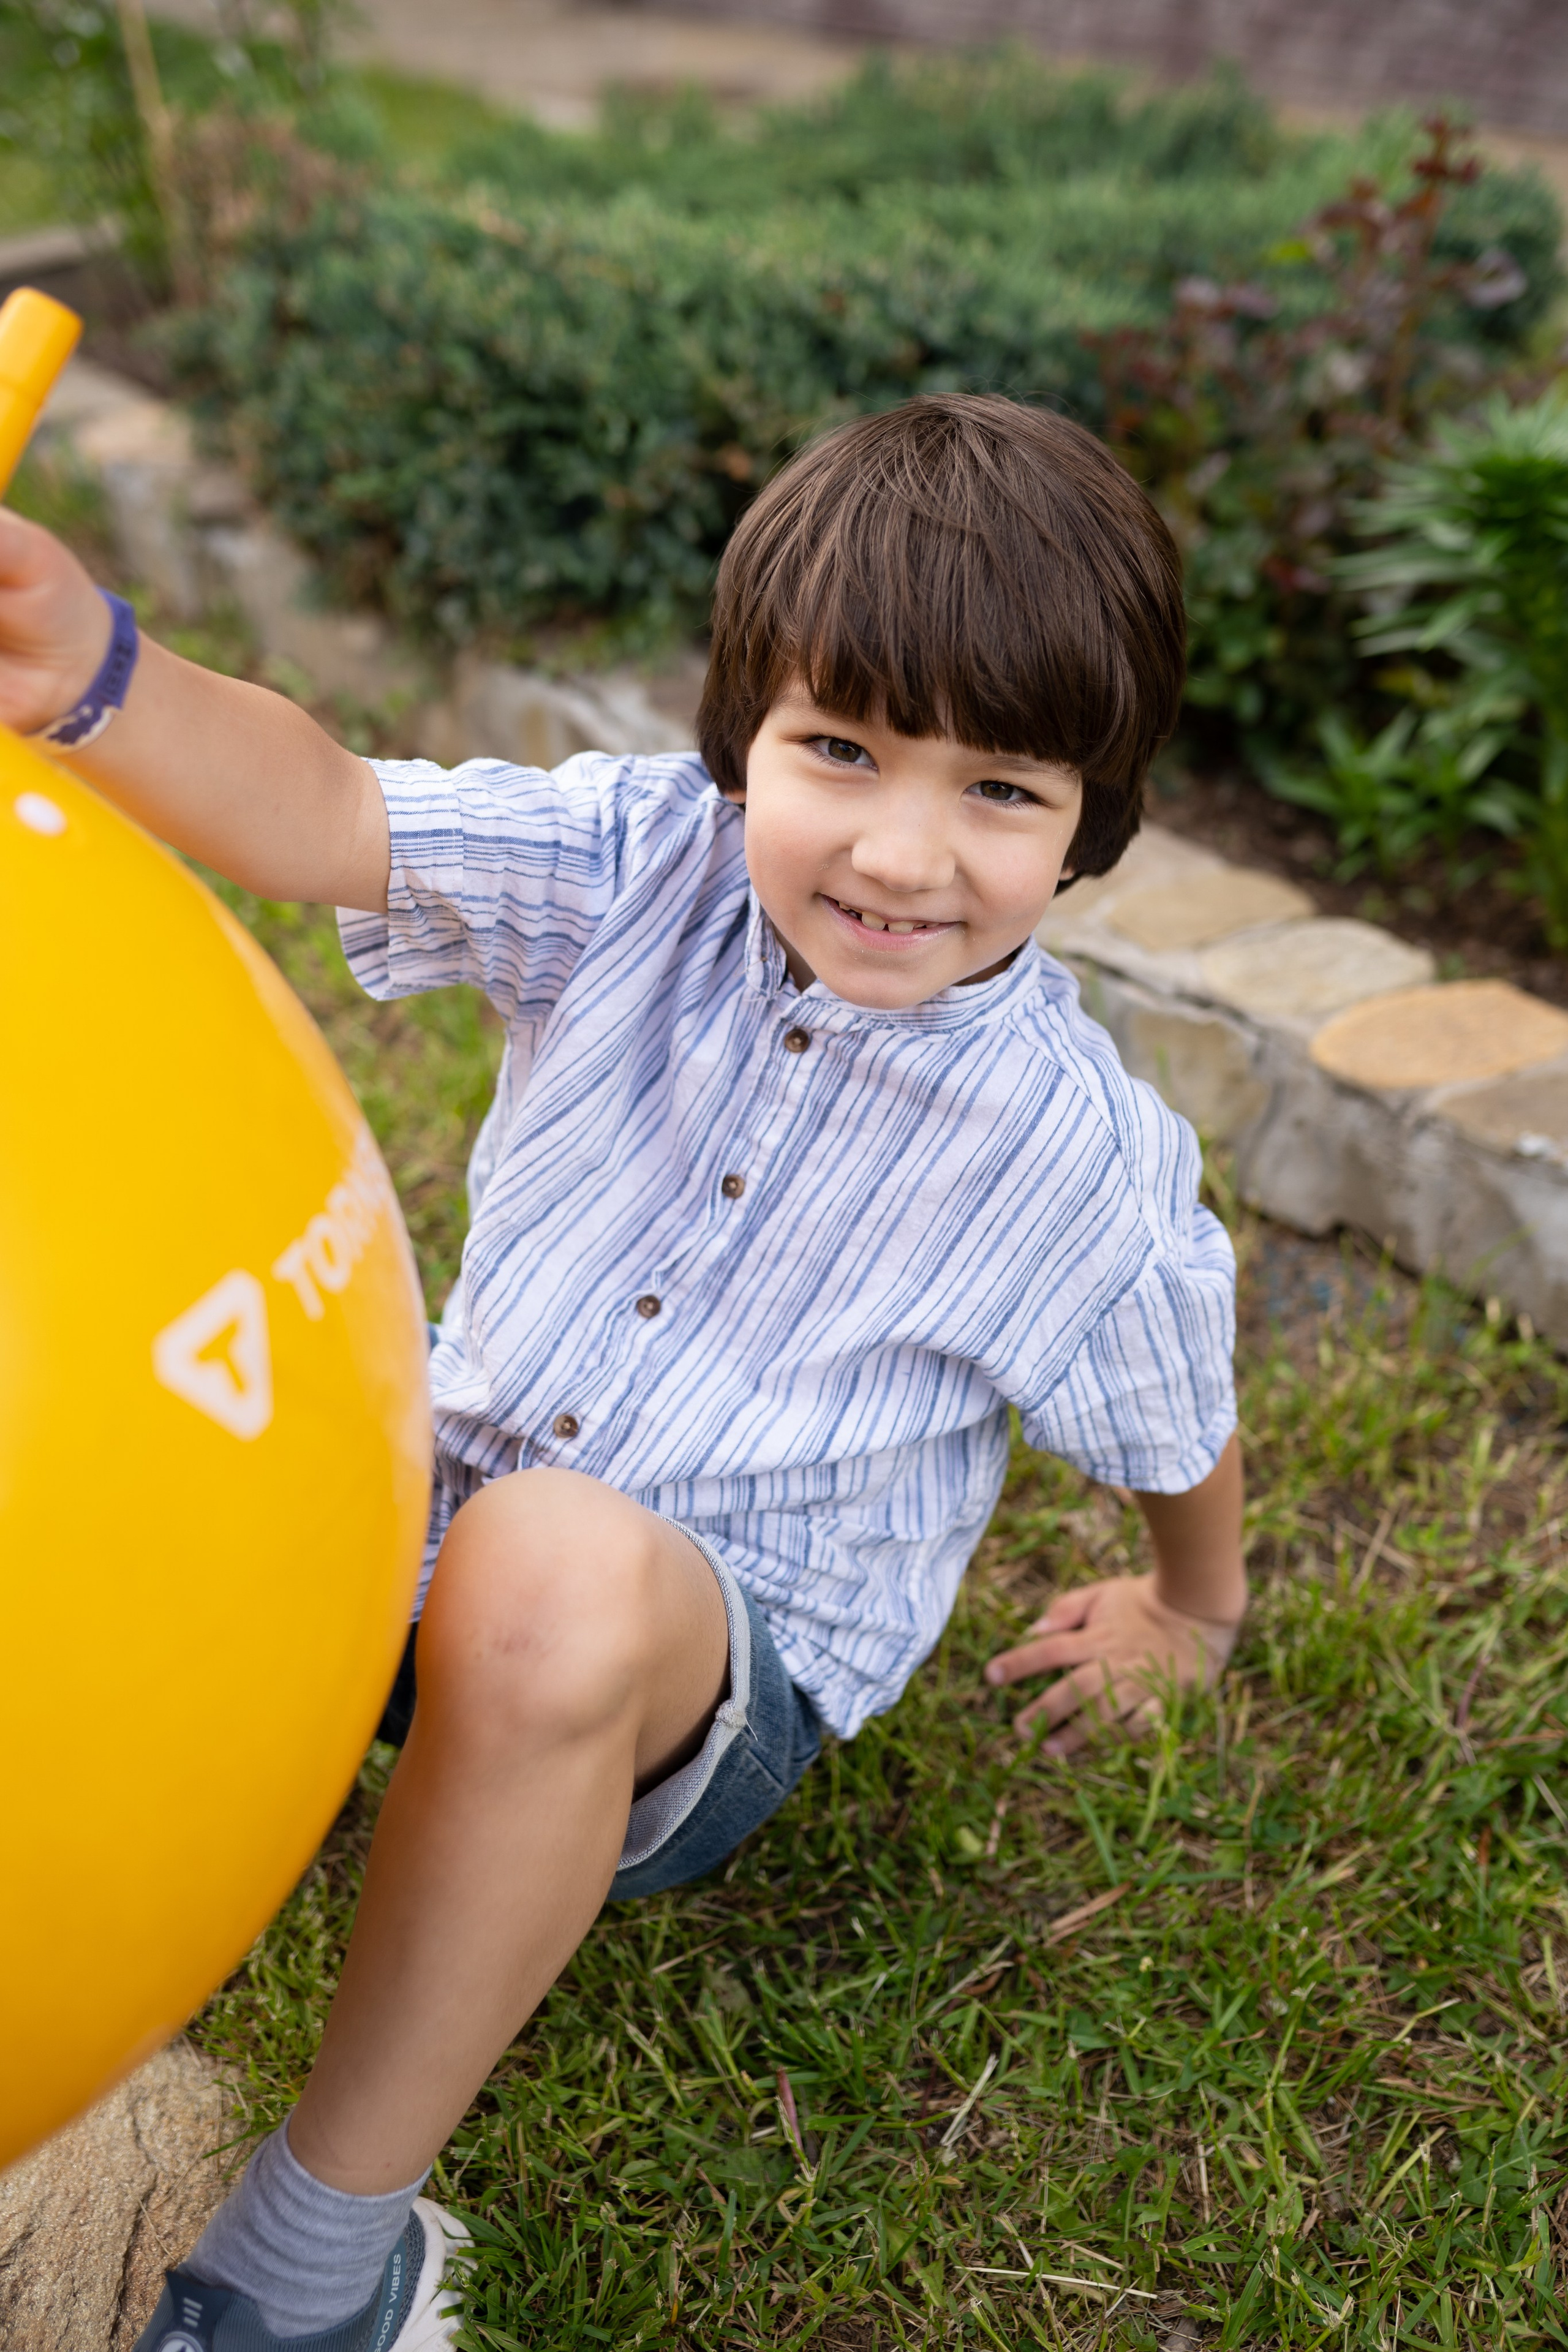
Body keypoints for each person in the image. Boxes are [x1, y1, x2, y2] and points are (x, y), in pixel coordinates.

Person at [1, 393, 1245, 2352]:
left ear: (1096, 815)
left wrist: (1192, 1605)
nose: (903, 852)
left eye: (1002, 790)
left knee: (556, 1573)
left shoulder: (1071, 1154)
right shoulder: (633, 868)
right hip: (394, 1552)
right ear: (738, 733)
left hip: (680, 1675)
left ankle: (325, 2256)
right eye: (839, 751)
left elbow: (1179, 1401)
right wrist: (98, 676)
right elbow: (332, 808)